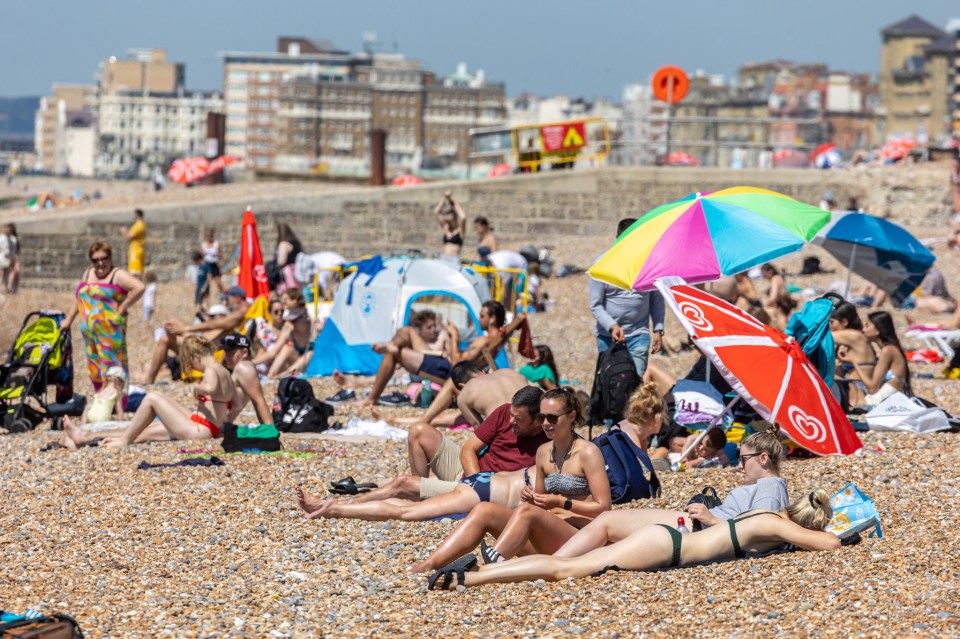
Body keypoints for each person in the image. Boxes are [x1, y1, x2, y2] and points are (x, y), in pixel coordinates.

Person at [426, 489, 839, 590]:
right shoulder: (777, 524)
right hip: (668, 549)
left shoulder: (762, 514)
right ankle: (472, 577)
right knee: (566, 569)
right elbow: (830, 546)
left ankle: (485, 569)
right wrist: (826, 534)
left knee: (573, 561)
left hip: (668, 537)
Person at [411, 387, 611, 574]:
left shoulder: (588, 452)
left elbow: (604, 508)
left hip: (578, 538)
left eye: (552, 418)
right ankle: (429, 564)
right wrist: (531, 497)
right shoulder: (543, 452)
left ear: (571, 416)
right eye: (542, 417)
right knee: (484, 509)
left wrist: (560, 502)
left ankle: (486, 566)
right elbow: (539, 503)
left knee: (525, 511)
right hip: (546, 532)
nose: (546, 424)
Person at [549, 427, 789, 557]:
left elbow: (761, 532)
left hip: (697, 530)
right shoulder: (767, 487)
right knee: (609, 532)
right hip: (697, 528)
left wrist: (713, 519)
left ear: (764, 458)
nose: (739, 465)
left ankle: (554, 562)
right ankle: (553, 559)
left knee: (607, 522)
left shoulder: (770, 486)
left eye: (744, 459)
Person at [61, 335, 234, 447]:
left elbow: (209, 387)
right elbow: (235, 401)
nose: (194, 367)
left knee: (151, 398)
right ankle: (84, 437)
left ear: (196, 356)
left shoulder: (211, 370)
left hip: (200, 430)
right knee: (146, 427)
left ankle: (122, 440)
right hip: (207, 426)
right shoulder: (224, 371)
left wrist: (198, 388)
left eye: (191, 363)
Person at [61, 241, 145, 397]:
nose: (100, 263)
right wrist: (69, 320)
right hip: (89, 333)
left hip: (110, 335)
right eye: (96, 260)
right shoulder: (88, 273)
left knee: (112, 368)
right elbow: (78, 297)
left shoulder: (117, 275)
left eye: (104, 258)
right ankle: (101, 400)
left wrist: (123, 307)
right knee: (94, 368)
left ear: (111, 258)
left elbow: (139, 287)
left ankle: (117, 404)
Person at [590, 218, 664, 378]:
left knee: (634, 385)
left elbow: (657, 299)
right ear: (617, 238)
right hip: (607, 337)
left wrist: (658, 329)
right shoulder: (602, 264)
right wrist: (612, 326)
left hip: (639, 334)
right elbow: (595, 305)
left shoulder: (648, 266)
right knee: (612, 385)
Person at [139, 285, 251, 384]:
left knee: (165, 339)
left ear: (237, 298)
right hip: (206, 345)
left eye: (227, 299)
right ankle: (152, 373)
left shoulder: (242, 311)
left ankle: (149, 378)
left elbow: (217, 324)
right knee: (172, 325)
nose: (225, 302)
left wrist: (186, 329)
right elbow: (216, 325)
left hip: (209, 349)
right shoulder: (238, 314)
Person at [356, 309, 452, 407]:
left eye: (434, 326)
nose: (433, 330)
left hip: (440, 367)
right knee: (393, 352)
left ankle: (371, 398)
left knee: (407, 331)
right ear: (419, 330)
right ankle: (392, 346)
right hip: (423, 366)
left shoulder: (441, 336)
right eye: (428, 327)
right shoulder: (417, 341)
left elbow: (454, 360)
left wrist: (454, 339)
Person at [838, 310, 910, 406]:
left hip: (879, 403)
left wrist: (854, 363)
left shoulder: (887, 351)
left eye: (867, 326)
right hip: (887, 400)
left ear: (877, 330)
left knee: (843, 386)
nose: (863, 330)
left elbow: (872, 388)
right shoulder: (891, 349)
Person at [255, 287, 313, 378]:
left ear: (295, 301)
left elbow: (273, 352)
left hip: (303, 358)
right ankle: (272, 375)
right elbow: (267, 351)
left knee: (294, 349)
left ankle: (276, 375)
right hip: (295, 358)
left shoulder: (299, 319)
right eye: (276, 312)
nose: (284, 302)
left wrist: (251, 362)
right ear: (270, 313)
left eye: (286, 299)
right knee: (287, 347)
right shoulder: (293, 321)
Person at [219, 333, 274, 427]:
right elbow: (257, 402)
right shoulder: (242, 369)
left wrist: (270, 430)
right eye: (226, 352)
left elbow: (259, 401)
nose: (227, 356)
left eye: (231, 353)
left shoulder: (243, 367)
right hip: (215, 425)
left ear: (245, 352)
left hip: (212, 426)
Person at [830, 302, 876, 407]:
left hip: (859, 390)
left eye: (831, 322)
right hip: (854, 387)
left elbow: (822, 336)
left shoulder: (854, 335)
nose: (830, 326)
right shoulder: (853, 338)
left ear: (844, 322)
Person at [275, 223, 304, 294]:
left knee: (290, 293)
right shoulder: (296, 243)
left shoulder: (284, 244)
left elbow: (281, 261)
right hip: (298, 271)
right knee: (297, 292)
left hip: (288, 272)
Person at [436, 191, 467, 257]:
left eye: (449, 213)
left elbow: (463, 217)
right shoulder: (446, 228)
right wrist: (444, 197)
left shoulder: (460, 230)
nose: (446, 216)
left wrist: (450, 199)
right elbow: (436, 212)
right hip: (444, 258)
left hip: (454, 260)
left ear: (454, 216)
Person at [119, 209, 147, 278]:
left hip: (135, 250)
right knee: (138, 271)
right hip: (139, 249)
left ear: (137, 215)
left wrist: (124, 231)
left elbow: (129, 237)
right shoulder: (142, 225)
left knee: (134, 273)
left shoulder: (138, 225)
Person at [199, 229, 223, 298]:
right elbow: (199, 255)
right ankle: (206, 299)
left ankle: (222, 296)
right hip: (207, 265)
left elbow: (220, 254)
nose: (209, 237)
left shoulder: (216, 244)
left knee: (218, 282)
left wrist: (216, 255)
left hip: (214, 264)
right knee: (207, 283)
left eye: (210, 236)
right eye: (208, 236)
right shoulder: (203, 245)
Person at [1, 223, 19, 294]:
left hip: (10, 257)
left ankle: (9, 287)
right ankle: (2, 287)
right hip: (2, 257)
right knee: (1, 273)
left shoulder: (13, 239)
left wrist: (14, 259)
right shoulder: (1, 238)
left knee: (10, 272)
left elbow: (14, 250)